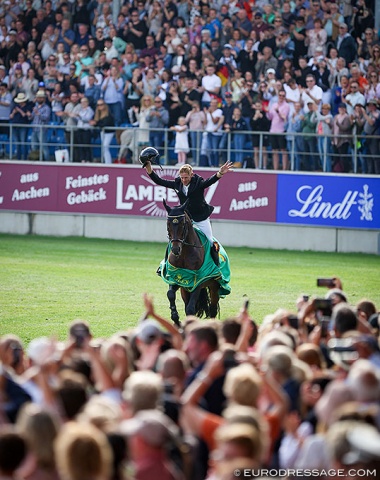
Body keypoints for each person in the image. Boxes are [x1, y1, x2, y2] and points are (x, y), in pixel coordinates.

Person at [140, 148, 233, 265]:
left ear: (191, 175)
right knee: (174, 240)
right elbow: (159, 181)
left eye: (186, 177)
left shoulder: (198, 183)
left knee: (210, 241)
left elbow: (210, 181)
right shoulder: (177, 183)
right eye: (182, 177)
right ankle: (164, 265)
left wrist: (219, 174)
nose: (184, 180)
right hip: (186, 219)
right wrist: (149, 168)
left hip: (201, 218)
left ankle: (216, 266)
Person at [89, 100, 115, 165]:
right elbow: (97, 122)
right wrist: (94, 123)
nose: (100, 106)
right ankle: (106, 161)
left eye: (101, 104)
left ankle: (108, 163)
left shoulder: (108, 114)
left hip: (109, 132)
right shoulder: (98, 114)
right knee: (104, 148)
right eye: (98, 105)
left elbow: (105, 123)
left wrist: (95, 123)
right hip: (102, 132)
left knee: (105, 146)